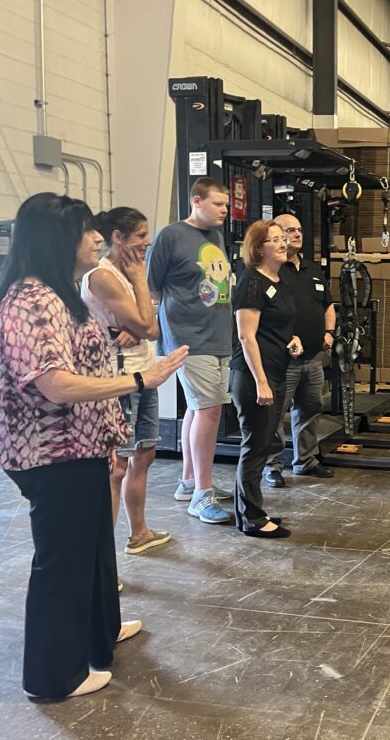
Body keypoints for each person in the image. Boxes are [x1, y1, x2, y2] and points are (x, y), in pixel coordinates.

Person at [0, 193, 187, 699]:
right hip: (50, 453)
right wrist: (140, 380)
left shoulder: (60, 294)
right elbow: (55, 384)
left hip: (82, 446)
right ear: (57, 239)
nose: (97, 237)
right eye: (85, 231)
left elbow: (79, 353)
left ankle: (100, 635)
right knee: (63, 560)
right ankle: (54, 676)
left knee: (95, 547)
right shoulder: (30, 300)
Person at [81, 207, 170, 555]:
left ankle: (140, 532)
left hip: (144, 373)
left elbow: (155, 325)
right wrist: (139, 279)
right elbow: (148, 325)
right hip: (119, 378)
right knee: (116, 467)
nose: (147, 242)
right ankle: (101, 559)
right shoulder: (103, 276)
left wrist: (140, 326)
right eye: (140, 236)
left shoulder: (130, 274)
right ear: (118, 238)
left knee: (143, 454)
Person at [146, 177, 234, 524]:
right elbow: (152, 289)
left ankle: (189, 482)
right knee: (210, 411)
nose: (224, 211)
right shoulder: (170, 236)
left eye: (226, 205)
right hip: (187, 337)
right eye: (218, 204)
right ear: (197, 201)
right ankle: (202, 494)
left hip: (217, 335)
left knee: (198, 411)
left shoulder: (216, 236)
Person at [228, 219, 299, 538]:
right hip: (255, 376)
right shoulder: (251, 282)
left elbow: (273, 327)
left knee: (263, 444)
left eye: (282, 238)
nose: (283, 243)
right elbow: (247, 337)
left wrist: (292, 339)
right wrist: (262, 382)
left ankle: (249, 511)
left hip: (276, 371)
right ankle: (253, 519)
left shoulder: (277, 280)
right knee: (255, 447)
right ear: (258, 249)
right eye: (274, 240)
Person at [261, 213, 335, 486]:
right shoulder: (270, 272)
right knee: (276, 413)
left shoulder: (312, 269)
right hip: (283, 359)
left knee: (310, 408)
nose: (297, 234)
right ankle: (272, 466)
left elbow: (328, 304)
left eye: (299, 229)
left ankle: (305, 461)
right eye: (289, 230)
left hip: (313, 357)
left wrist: (329, 332)